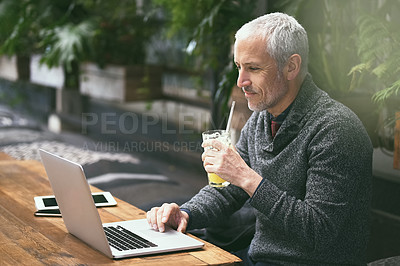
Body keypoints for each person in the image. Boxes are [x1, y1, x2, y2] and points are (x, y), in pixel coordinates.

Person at [147, 12, 372, 265]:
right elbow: (228, 192)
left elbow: (317, 230)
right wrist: (187, 213)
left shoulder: (336, 129)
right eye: (239, 67)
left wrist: (247, 177)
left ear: (291, 67)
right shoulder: (262, 118)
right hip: (258, 257)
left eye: (253, 68)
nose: (241, 81)